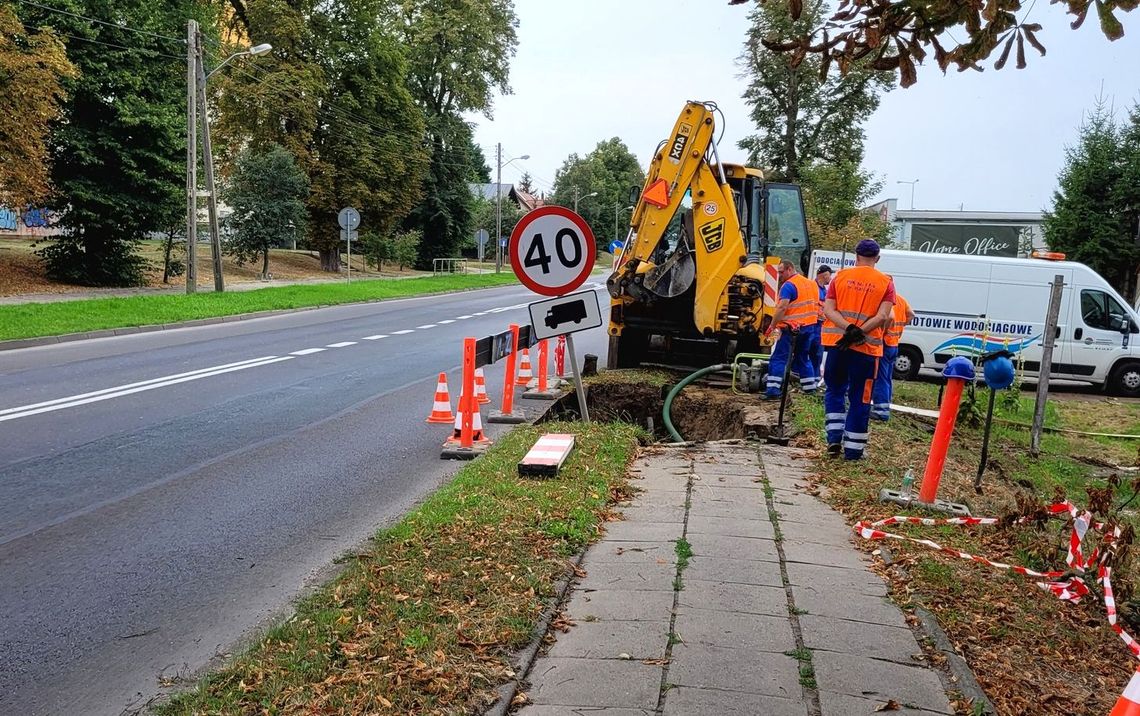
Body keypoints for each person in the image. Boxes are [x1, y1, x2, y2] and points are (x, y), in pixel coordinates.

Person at [820, 239, 895, 460]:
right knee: (860, 398)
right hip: (866, 351)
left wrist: (848, 328)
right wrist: (860, 332)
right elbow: (883, 316)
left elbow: (828, 309)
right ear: (878, 258)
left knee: (834, 390)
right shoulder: (886, 283)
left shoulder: (840, 277)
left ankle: (833, 439)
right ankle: (853, 451)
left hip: (837, 346)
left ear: (856, 256)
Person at [763, 259, 819, 400]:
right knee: (803, 358)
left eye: (781, 272)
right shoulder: (811, 284)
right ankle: (810, 389)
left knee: (779, 358)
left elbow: (782, 307)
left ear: (789, 269)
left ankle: (773, 390)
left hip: (791, 329)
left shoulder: (789, 285)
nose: (779, 275)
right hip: (809, 327)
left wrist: (772, 326)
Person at [871, 290, 916, 421]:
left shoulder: (885, 300)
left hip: (885, 343)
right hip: (894, 343)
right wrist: (901, 326)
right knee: (887, 376)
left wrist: (883, 331)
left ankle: (881, 410)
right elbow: (911, 315)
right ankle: (885, 405)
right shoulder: (901, 299)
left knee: (880, 376)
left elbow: (889, 317)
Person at [807, 265, 832, 380]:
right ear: (824, 274)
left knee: (817, 354)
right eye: (829, 274)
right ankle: (808, 377)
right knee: (808, 351)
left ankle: (815, 378)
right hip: (811, 324)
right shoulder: (813, 287)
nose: (830, 278)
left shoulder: (824, 290)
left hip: (820, 325)